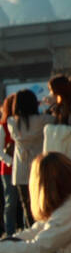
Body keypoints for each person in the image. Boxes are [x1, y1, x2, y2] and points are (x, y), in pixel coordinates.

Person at [5, 90, 53, 228]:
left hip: (21, 169)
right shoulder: (44, 120)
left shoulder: (12, 122)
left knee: (26, 205)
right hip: (40, 167)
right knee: (42, 204)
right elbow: (54, 120)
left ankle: (30, 232)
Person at [1, 96, 20, 239]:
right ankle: (10, 233)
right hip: (8, 169)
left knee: (23, 202)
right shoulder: (3, 127)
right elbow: (0, 151)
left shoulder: (22, 123)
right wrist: (12, 161)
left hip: (21, 167)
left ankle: (23, 230)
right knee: (11, 202)